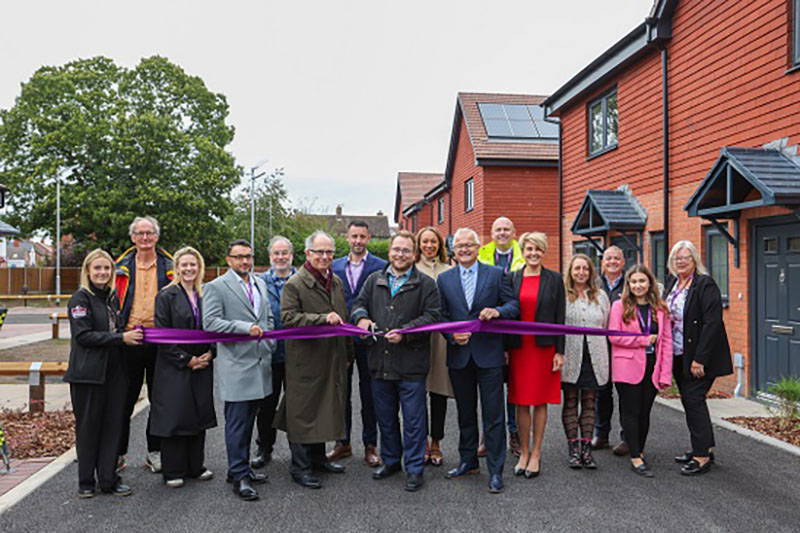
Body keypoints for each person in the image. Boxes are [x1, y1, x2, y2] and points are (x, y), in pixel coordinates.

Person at [352, 230, 441, 491]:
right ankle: (391, 461)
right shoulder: (373, 280)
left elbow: (433, 317)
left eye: (405, 250)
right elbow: (358, 305)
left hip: (411, 364)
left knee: (414, 421)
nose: (400, 254)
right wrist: (361, 319)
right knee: (386, 417)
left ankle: (414, 468)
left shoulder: (426, 284)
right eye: (396, 250)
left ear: (414, 254)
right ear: (389, 252)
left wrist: (406, 333)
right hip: (380, 361)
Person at [438, 227, 519, 494]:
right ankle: (468, 461)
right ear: (454, 249)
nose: (464, 249)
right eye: (459, 245)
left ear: (477, 247)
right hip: (459, 356)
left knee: (494, 416)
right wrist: (451, 335)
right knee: (465, 413)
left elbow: (513, 307)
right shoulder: (445, 279)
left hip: (489, 356)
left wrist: (497, 311)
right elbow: (441, 316)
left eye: (469, 245)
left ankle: (496, 471)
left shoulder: (496, 274)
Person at [274, 230, 353, 489]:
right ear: (308, 253)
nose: (325, 256)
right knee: (302, 415)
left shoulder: (336, 281)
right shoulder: (295, 284)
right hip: (305, 361)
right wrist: (322, 318)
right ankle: (301, 468)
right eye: (319, 251)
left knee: (323, 410)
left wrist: (347, 353)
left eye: (329, 252)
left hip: (331, 358)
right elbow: (288, 318)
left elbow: (343, 318)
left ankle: (319, 460)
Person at [65, 249, 143, 498]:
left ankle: (109, 479)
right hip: (88, 375)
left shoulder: (111, 297)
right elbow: (83, 336)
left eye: (107, 268)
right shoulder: (80, 299)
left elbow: (115, 327)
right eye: (97, 268)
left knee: (113, 426)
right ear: (88, 271)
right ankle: (86, 482)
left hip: (114, 374)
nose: (102, 273)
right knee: (89, 429)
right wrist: (121, 337)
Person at [203, 240, 275, 501]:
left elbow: (267, 318)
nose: (245, 261)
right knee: (237, 425)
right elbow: (210, 323)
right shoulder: (216, 287)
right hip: (236, 366)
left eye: (249, 257)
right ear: (229, 259)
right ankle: (239, 476)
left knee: (248, 424)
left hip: (260, 363)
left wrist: (269, 342)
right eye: (239, 257)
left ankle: (240, 469)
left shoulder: (260, 283)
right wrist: (244, 329)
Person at [664, 240, 732, 476]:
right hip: (679, 354)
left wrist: (699, 359)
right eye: (677, 258)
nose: (681, 262)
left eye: (686, 258)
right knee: (690, 401)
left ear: (695, 260)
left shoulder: (705, 284)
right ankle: (700, 448)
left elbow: (713, 323)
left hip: (700, 357)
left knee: (694, 400)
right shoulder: (674, 282)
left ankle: (702, 457)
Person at [150, 247, 216, 488]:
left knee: (198, 414)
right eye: (184, 265)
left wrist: (211, 352)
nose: (189, 269)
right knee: (176, 416)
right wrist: (186, 359)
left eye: (193, 264)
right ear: (176, 268)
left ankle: (195, 466)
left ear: (199, 268)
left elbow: (214, 326)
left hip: (203, 363)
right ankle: (173, 470)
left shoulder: (205, 294)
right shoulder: (166, 296)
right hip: (175, 366)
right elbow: (162, 335)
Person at [115, 216, 173, 473]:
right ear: (132, 238)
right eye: (140, 233)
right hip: (129, 339)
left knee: (159, 400)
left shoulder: (170, 266)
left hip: (159, 340)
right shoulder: (120, 267)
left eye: (150, 233)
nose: (145, 238)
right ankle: (116, 454)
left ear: (157, 237)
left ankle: (155, 452)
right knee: (123, 400)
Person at [506, 232, 565, 478]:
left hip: (543, 349)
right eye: (529, 249)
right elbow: (508, 314)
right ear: (522, 250)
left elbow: (560, 317)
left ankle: (537, 453)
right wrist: (505, 349)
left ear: (544, 251)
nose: (533, 254)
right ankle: (523, 452)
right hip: (519, 349)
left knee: (540, 401)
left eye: (538, 250)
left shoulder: (554, 279)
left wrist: (560, 351)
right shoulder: (512, 278)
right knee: (520, 401)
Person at [329, 221, 387, 467]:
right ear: (346, 237)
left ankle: (370, 444)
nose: (358, 241)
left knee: (370, 393)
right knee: (340, 392)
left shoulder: (381, 266)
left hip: (368, 339)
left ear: (369, 238)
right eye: (354, 236)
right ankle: (342, 442)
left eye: (362, 236)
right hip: (341, 340)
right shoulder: (334, 266)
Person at [608, 265, 673, 477]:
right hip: (627, 366)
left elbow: (667, 342)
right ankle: (635, 456)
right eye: (634, 282)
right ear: (628, 285)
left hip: (652, 366)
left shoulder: (660, 309)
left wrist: (665, 372)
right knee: (630, 411)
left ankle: (640, 450)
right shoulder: (619, 306)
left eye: (642, 281)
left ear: (650, 283)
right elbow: (613, 336)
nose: (638, 285)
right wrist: (641, 341)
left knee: (645, 412)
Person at [478, 216, 524, 456]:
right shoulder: (481, 253)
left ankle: (514, 434)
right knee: (491, 389)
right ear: (492, 232)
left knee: (513, 388)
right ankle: (489, 435)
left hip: (515, 329)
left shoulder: (524, 253)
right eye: (498, 229)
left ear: (514, 232)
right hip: (488, 331)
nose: (503, 233)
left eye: (507, 229)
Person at [251, 236, 297, 469]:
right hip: (269, 354)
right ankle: (264, 448)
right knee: (266, 405)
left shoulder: (302, 280)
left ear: (292, 255)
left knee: (298, 405)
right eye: (276, 253)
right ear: (270, 257)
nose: (281, 257)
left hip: (297, 355)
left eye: (285, 253)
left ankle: (299, 452)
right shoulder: (258, 282)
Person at [561, 254, 609, 470]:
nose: (581, 272)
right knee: (571, 401)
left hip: (595, 356)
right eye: (577, 268)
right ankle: (573, 449)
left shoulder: (600, 296)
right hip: (571, 355)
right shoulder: (562, 295)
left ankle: (586, 450)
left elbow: (607, 325)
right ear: (570, 272)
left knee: (590, 402)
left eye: (585, 269)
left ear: (591, 272)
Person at [414, 226, 454, 466]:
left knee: (438, 393)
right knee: (416, 393)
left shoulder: (449, 270)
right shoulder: (410, 268)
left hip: (440, 339)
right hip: (417, 337)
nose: (429, 246)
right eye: (425, 242)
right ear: (419, 244)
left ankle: (436, 441)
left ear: (439, 245)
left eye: (433, 242)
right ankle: (422, 443)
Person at [593, 245, 626, 454]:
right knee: (601, 392)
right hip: (600, 347)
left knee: (626, 393)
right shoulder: (594, 284)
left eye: (616, 258)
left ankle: (627, 437)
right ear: (602, 262)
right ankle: (601, 434)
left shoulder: (632, 281)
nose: (612, 261)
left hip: (624, 347)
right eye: (608, 258)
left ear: (623, 262)